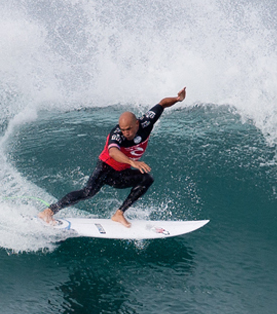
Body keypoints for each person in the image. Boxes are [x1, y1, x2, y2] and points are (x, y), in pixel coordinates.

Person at [39, 87, 187, 227]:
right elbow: (113, 152)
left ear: (137, 124)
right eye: (123, 130)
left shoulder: (147, 122)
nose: (126, 133)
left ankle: (119, 214)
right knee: (87, 192)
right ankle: (50, 211)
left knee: (146, 179)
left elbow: (162, 104)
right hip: (105, 168)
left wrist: (178, 99)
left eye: (128, 129)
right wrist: (132, 162)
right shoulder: (117, 134)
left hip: (120, 173)